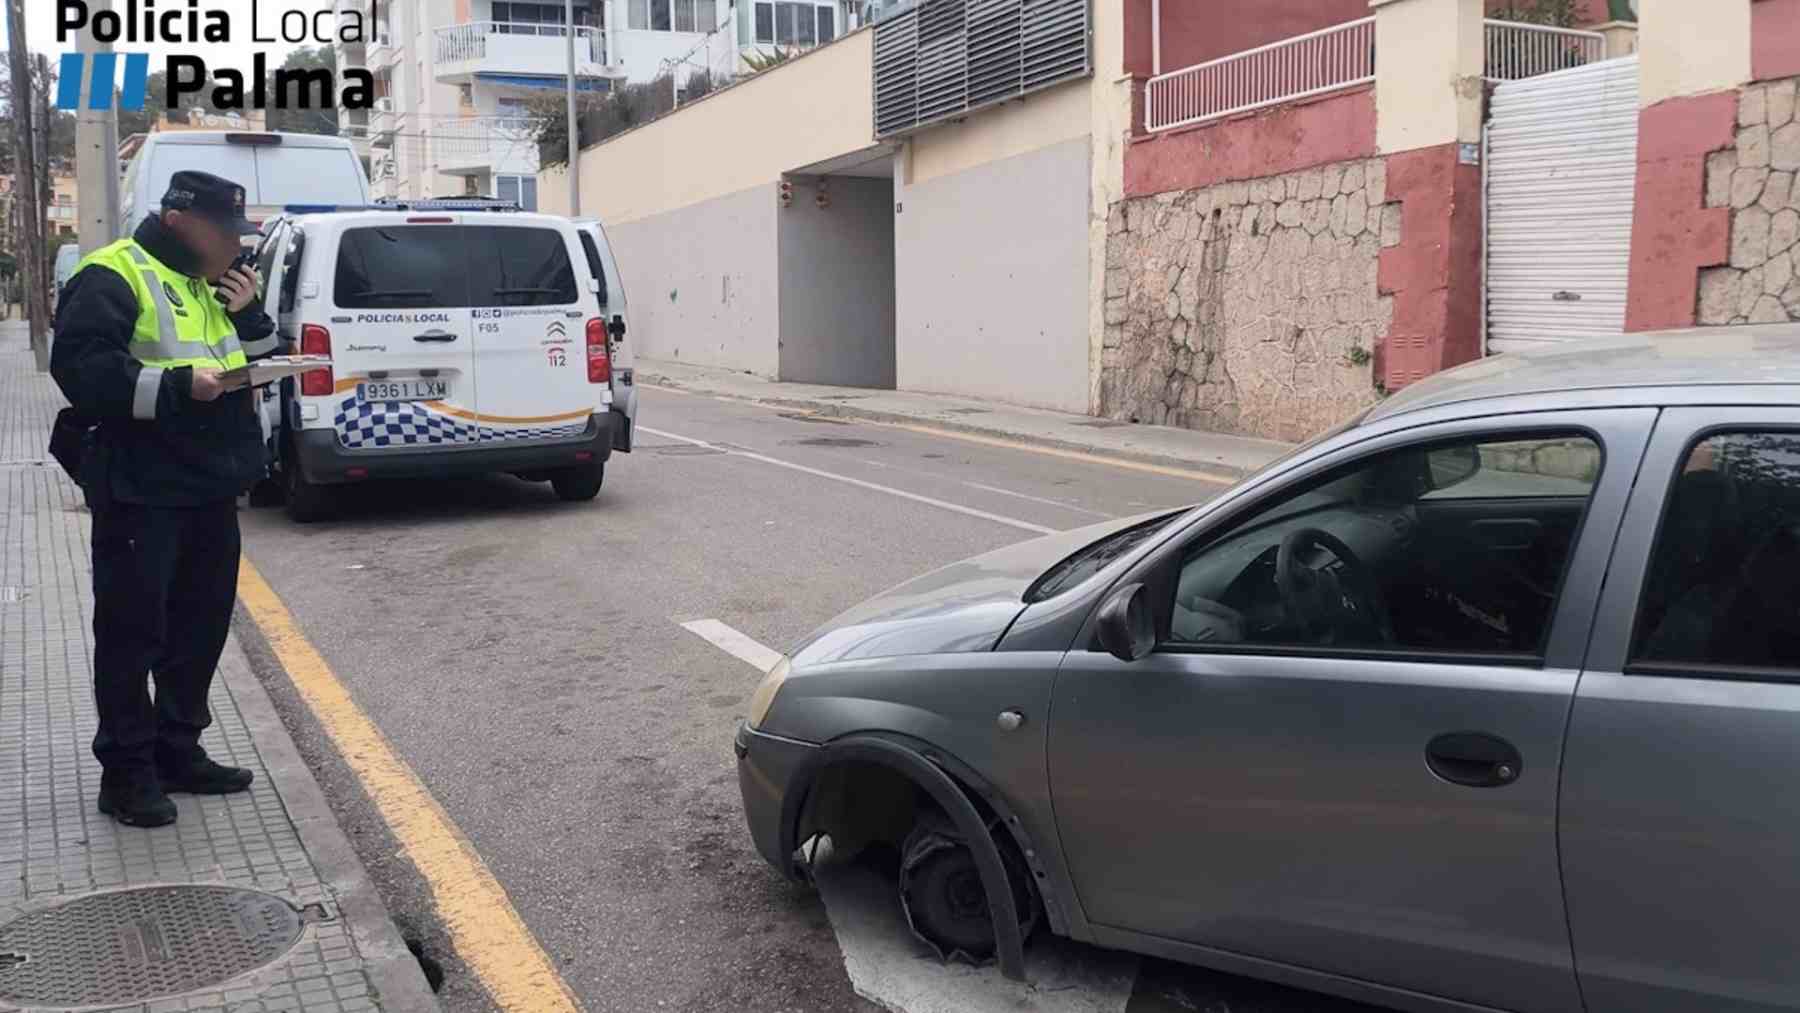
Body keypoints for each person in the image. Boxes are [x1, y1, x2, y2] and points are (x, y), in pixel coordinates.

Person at [50, 171, 281, 827]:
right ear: (181, 220)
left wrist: (248, 311)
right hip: (142, 488)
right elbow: (84, 369)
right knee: (133, 633)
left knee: (198, 628)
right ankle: (126, 774)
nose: (235, 246)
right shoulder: (114, 273)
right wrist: (183, 386)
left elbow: (257, 355)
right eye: (225, 232)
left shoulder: (204, 282)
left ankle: (178, 750)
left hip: (208, 484)